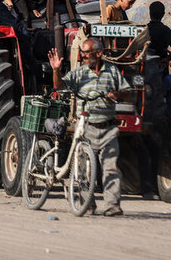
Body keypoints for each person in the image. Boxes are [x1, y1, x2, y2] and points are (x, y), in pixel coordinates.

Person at [48, 38, 129, 216]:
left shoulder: (112, 71)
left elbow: (127, 92)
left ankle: (112, 205)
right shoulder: (79, 74)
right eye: (82, 54)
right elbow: (59, 86)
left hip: (108, 129)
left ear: (98, 54)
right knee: (84, 169)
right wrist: (56, 70)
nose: (83, 57)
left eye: (86, 53)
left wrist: (116, 94)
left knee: (111, 168)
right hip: (86, 128)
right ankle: (87, 203)